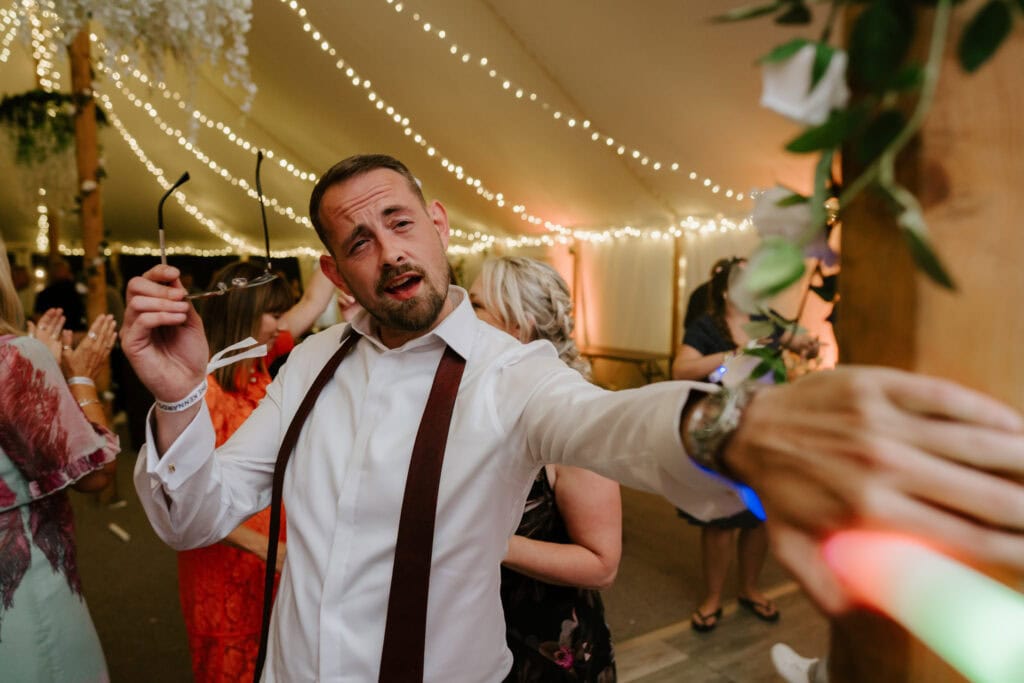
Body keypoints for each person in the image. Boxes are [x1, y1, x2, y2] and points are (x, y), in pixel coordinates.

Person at [122, 154, 1024, 682]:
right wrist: (177, 396)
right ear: (335, 269)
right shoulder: (311, 364)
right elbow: (194, 514)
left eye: (399, 222)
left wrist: (732, 429)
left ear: (438, 224)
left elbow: (613, 424)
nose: (389, 251)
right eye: (360, 240)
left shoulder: (511, 373)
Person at [177, 259, 336, 682]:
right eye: (273, 313)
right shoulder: (201, 393)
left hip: (278, 567)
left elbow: (314, 301)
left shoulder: (260, 367)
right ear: (242, 314)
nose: (281, 324)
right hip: (227, 573)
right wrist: (269, 550)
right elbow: (184, 503)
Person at [470, 256, 619, 681]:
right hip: (480, 625)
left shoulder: (573, 418)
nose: (462, 316)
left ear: (519, 327)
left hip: (547, 644)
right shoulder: (485, 401)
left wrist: (491, 543)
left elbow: (602, 564)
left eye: (476, 306)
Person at [0, 240, 120, 682]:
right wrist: (78, 378)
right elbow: (96, 475)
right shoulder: (13, 357)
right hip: (24, 595)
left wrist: (40, 373)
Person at [672, 257, 781, 631]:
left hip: (763, 430)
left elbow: (796, 341)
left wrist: (808, 345)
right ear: (724, 292)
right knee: (721, 519)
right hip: (721, 434)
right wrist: (734, 355)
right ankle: (713, 597)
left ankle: (750, 588)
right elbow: (681, 369)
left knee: (758, 518)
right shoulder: (707, 326)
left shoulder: (767, 323)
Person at [34, 258, 87, 332]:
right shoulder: (45, 293)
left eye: (61, 270)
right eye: (58, 270)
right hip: (55, 331)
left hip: (74, 330)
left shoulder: (76, 289)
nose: (60, 272)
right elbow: (38, 315)